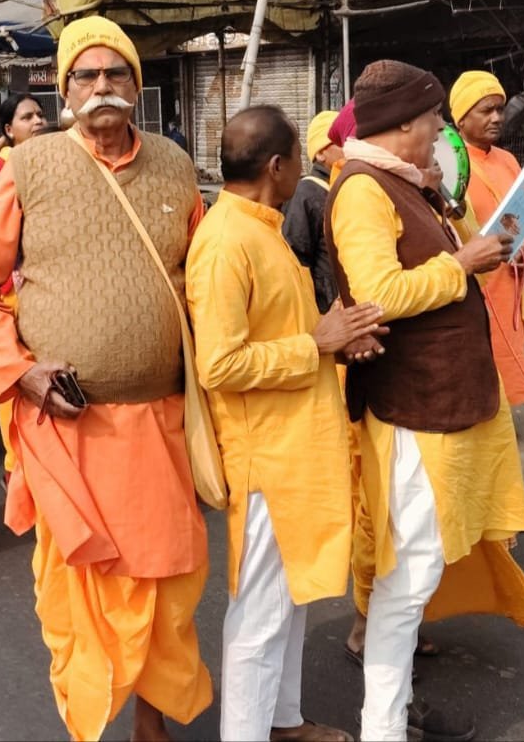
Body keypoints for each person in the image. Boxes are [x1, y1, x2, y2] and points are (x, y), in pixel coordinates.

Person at [0, 17, 212, 741]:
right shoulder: (27, 167)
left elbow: (203, 275)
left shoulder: (173, 164)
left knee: (165, 582)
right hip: (66, 428)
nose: (102, 87)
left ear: (137, 85)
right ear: (64, 88)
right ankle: (94, 718)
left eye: (116, 74)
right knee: (83, 587)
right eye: (86, 76)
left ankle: (151, 722)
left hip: (159, 421)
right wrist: (20, 373)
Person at [324, 60, 524, 741]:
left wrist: (452, 223)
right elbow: (378, 296)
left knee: (419, 569)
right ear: (400, 126)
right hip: (417, 407)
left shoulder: (404, 183)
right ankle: (383, 725)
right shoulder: (362, 190)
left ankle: (388, 716)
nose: (439, 135)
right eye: (431, 123)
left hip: (444, 399)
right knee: (407, 571)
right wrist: (461, 264)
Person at [188, 105, 383, 742]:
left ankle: (283, 721)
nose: (306, 166)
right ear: (278, 166)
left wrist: (339, 335)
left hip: (296, 445)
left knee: (290, 598)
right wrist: (317, 344)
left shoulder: (263, 228)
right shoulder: (224, 241)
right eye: (299, 155)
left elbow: (287, 331)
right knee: (260, 615)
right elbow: (220, 364)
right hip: (266, 458)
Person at [451, 70, 524, 406]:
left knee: (506, 357)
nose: (497, 118)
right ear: (461, 117)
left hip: (508, 281)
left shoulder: (508, 161)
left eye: (499, 109)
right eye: (485, 110)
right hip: (473, 281)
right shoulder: (449, 164)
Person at [281, 109, 342, 314]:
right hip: (325, 309)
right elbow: (297, 258)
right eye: (339, 141)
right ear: (320, 153)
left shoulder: (345, 186)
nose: (348, 147)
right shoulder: (306, 193)